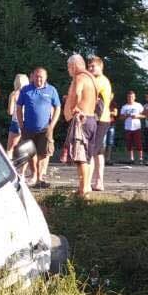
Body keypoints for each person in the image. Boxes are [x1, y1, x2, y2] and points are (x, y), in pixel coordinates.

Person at [16, 67, 60, 188]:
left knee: (43, 153)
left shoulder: (51, 90)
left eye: (41, 77)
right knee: (30, 153)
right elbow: (19, 107)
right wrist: (20, 124)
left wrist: (52, 125)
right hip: (28, 128)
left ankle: (40, 178)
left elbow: (58, 107)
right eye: (36, 76)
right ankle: (34, 175)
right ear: (32, 76)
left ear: (45, 77)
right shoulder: (26, 90)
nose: (38, 79)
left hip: (45, 129)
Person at [62, 54, 99, 197]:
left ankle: (83, 190)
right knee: (87, 157)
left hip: (81, 120)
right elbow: (95, 99)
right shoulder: (92, 78)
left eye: (68, 67)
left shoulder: (79, 77)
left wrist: (73, 107)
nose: (68, 70)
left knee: (81, 157)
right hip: (90, 119)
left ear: (74, 65)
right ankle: (85, 187)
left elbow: (77, 93)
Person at [87, 56, 112, 191]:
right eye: (89, 66)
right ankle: (99, 182)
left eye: (93, 66)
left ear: (100, 67)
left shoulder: (99, 81)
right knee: (99, 152)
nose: (90, 69)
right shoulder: (101, 80)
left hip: (99, 119)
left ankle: (87, 183)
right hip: (104, 118)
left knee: (91, 151)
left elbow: (91, 99)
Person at [5, 74, 28, 158]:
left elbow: (10, 112)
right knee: (26, 149)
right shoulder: (29, 93)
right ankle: (23, 170)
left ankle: (10, 168)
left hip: (16, 122)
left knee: (10, 149)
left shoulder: (14, 94)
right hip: (27, 123)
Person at [119, 91, 145, 163]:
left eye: (132, 97)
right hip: (128, 127)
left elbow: (144, 115)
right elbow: (120, 117)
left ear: (134, 97)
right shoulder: (124, 107)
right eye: (129, 97)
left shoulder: (138, 105)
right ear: (127, 98)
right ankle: (131, 158)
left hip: (136, 127)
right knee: (129, 143)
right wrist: (127, 116)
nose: (130, 98)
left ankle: (140, 158)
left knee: (138, 143)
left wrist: (138, 116)